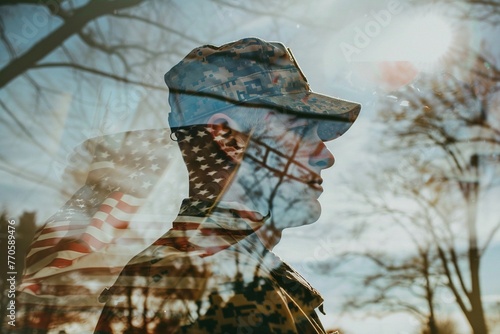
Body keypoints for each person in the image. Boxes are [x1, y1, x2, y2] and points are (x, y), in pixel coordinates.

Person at [93, 37, 361, 333]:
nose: (326, 156)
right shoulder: (207, 281)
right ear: (228, 138)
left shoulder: (219, 271)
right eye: (299, 130)